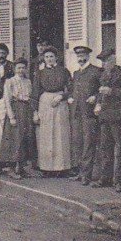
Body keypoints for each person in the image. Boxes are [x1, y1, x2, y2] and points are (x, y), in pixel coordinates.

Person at [91, 47, 121, 189]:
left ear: (113, 60)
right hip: (104, 116)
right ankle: (105, 179)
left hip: (118, 116)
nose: (104, 65)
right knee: (105, 148)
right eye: (103, 62)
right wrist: (97, 103)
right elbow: (100, 93)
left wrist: (112, 91)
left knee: (120, 148)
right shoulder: (103, 74)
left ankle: (119, 181)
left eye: (107, 61)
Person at [32, 46, 72, 175]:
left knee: (61, 134)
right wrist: (35, 111)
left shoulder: (64, 71)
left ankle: (62, 167)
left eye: (51, 56)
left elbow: (71, 89)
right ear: (43, 59)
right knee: (46, 135)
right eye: (47, 57)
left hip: (60, 102)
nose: (49, 59)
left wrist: (62, 96)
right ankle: (46, 168)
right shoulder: (40, 73)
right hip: (45, 103)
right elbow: (35, 92)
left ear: (56, 58)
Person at [68, 45, 101, 184]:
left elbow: (101, 89)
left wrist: (96, 97)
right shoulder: (76, 73)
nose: (80, 58)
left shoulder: (96, 71)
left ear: (88, 56)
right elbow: (71, 89)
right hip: (76, 113)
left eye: (83, 56)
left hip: (89, 113)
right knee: (77, 143)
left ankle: (86, 175)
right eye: (78, 56)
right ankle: (80, 172)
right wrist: (69, 96)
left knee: (88, 143)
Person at [0, 58, 36, 178]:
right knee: (14, 139)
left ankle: (21, 167)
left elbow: (31, 98)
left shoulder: (28, 81)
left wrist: (34, 112)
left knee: (25, 138)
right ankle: (11, 168)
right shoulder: (10, 81)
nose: (21, 70)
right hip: (15, 110)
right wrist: (11, 117)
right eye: (18, 68)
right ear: (15, 69)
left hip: (26, 111)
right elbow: (7, 100)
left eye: (23, 68)